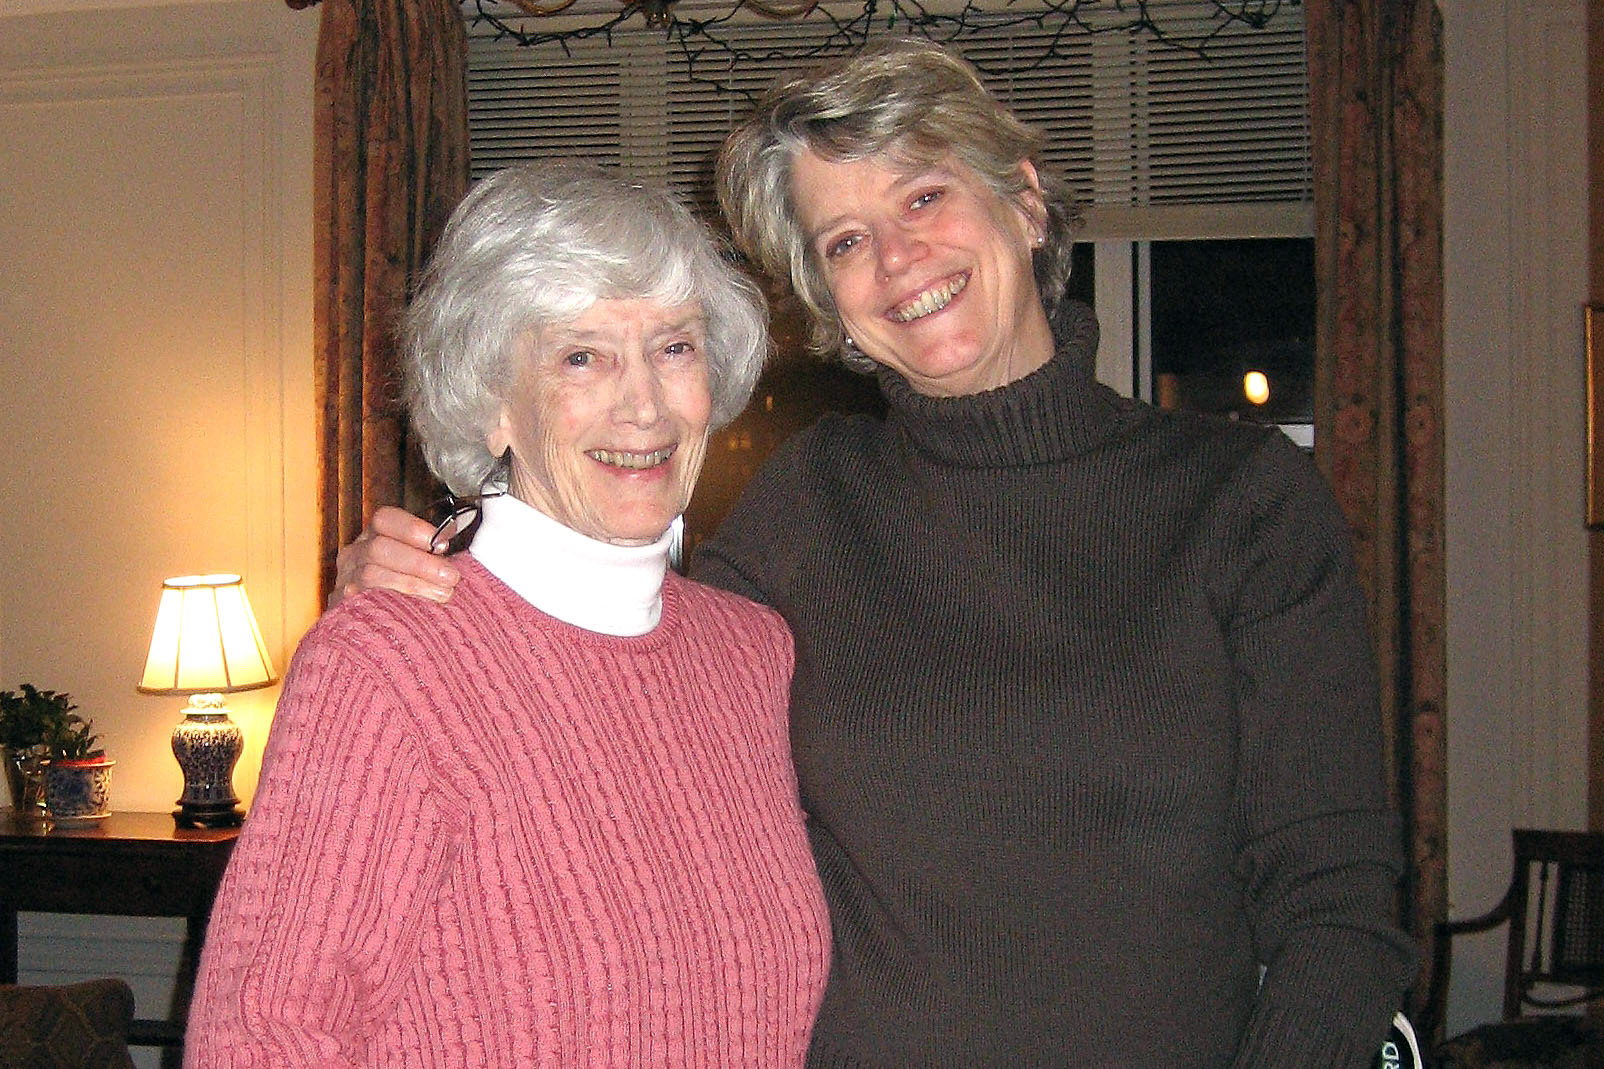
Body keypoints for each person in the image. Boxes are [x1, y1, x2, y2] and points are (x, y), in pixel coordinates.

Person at [336, 40, 1417, 1067]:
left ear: (1026, 202)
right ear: (831, 307)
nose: (896, 257)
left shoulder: (1239, 501)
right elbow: (608, 679)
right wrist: (435, 587)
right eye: (843, 240)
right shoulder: (812, 496)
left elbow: (1338, 906)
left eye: (922, 195)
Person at [186, 162, 831, 1067]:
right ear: (493, 403)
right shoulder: (387, 662)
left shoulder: (750, 653)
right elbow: (263, 1038)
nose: (642, 402)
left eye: (674, 346)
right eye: (582, 355)